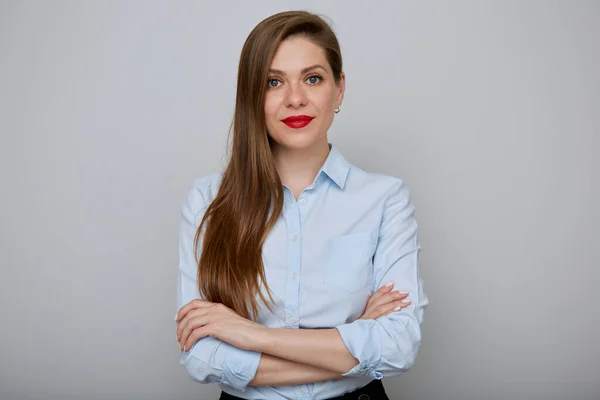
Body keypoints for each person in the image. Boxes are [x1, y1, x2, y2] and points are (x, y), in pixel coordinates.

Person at [174, 10, 428, 400]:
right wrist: (350, 341)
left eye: (313, 78)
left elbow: (398, 346)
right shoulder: (209, 200)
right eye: (274, 82)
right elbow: (202, 356)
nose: (295, 99)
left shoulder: (384, 200)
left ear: (339, 89)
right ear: (252, 96)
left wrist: (249, 334)